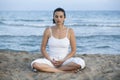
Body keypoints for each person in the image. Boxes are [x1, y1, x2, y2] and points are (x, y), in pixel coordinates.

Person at [31, 8, 85, 73]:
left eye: (61, 16)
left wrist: (63, 60)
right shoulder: (48, 30)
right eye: (56, 16)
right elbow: (43, 49)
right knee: (35, 64)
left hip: (65, 61)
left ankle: (50, 69)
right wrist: (50, 60)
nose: (58, 19)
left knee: (80, 63)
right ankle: (63, 71)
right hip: (51, 61)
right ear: (53, 17)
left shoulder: (70, 31)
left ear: (64, 18)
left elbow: (73, 50)